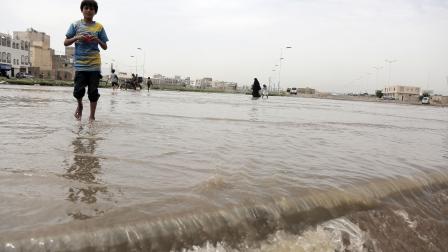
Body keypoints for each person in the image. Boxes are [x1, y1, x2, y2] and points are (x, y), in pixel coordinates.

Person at [64, 0, 109, 121]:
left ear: (95, 12)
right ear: (82, 10)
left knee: (93, 92)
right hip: (80, 64)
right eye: (86, 8)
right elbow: (66, 42)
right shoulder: (75, 25)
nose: (89, 10)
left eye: (91, 9)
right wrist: (77, 37)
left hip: (94, 64)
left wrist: (97, 40)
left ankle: (92, 116)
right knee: (78, 91)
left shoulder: (99, 27)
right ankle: (80, 105)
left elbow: (105, 46)